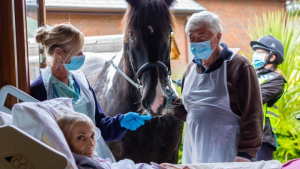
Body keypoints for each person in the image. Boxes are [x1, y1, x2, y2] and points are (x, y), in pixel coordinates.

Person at [30, 23, 152, 143]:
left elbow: (99, 126)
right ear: (58, 52)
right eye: (77, 52)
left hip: (92, 155)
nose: (82, 55)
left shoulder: (81, 82)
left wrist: (120, 122)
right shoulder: (40, 90)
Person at [171, 11, 263, 163]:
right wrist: (170, 103)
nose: (195, 42)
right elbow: (192, 112)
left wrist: (245, 155)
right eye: (191, 37)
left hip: (230, 155)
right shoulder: (190, 69)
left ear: (218, 36)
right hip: (194, 155)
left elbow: (252, 113)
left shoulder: (239, 66)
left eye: (201, 36)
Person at [56, 112, 192, 169]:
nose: (91, 144)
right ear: (65, 141)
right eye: (80, 138)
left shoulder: (93, 160)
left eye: (92, 136)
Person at [250, 35, 287, 161]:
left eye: (260, 52)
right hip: (244, 134)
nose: (255, 55)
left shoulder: (276, 79)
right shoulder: (251, 75)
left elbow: (253, 98)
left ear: (272, 57)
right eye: (255, 52)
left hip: (262, 137)